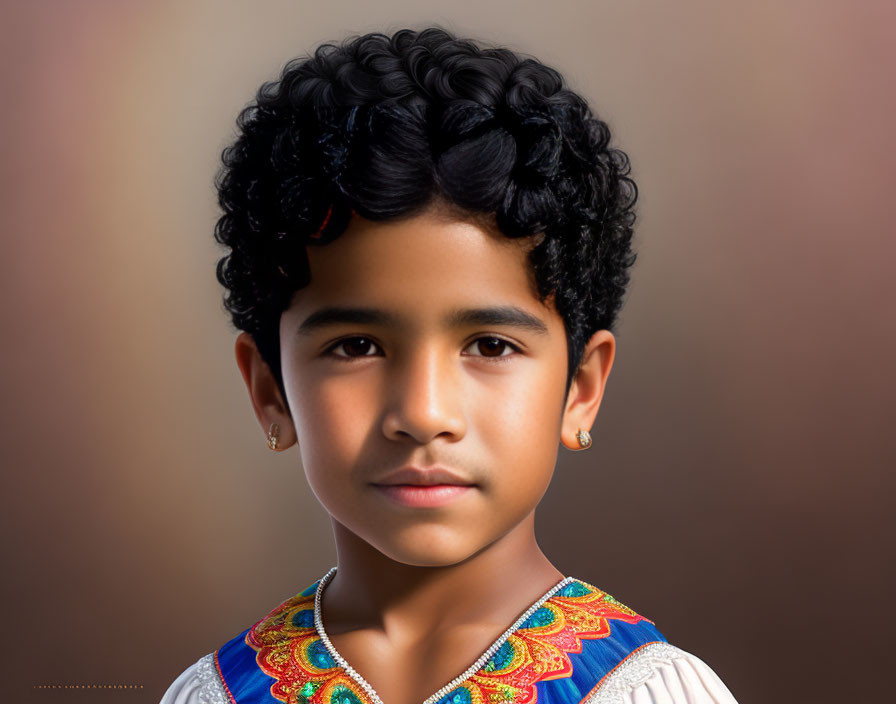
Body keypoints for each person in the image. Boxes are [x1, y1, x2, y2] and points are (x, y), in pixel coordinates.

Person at [160, 26, 739, 704]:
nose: (424, 413)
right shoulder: (215, 695)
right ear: (270, 392)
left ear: (580, 390)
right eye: (357, 346)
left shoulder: (648, 691)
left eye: (490, 346)